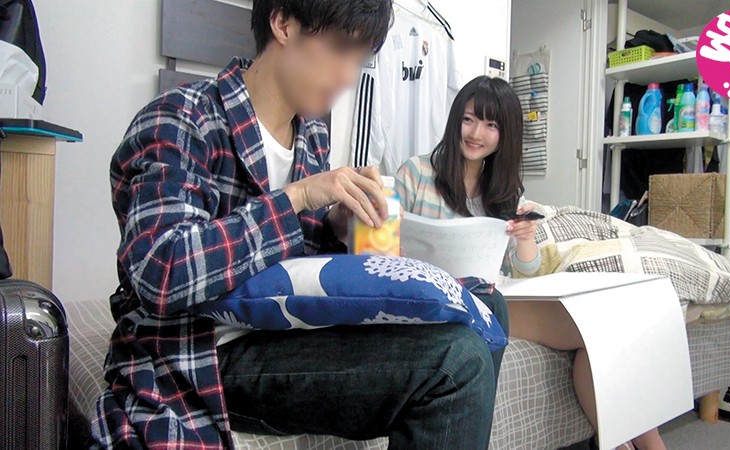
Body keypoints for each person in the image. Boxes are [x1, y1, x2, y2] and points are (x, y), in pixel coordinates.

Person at [96, 1, 505, 449]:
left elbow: (297, 264)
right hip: (203, 349)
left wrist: (339, 225)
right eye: (340, 50)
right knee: (457, 361)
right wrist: (296, 198)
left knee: (489, 303)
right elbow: (161, 271)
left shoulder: (311, 135)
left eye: (359, 60)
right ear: (283, 23)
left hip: (287, 330)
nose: (348, 77)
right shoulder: (182, 117)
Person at [395, 75, 667, 450]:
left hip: (492, 296)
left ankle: (632, 445)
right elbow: (387, 248)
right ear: (456, 119)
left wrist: (525, 239)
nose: (476, 133)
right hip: (435, 301)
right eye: (469, 119)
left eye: (491, 125)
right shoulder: (416, 173)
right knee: (593, 331)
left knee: (601, 331)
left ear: (505, 135)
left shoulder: (505, 189)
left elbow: (525, 269)